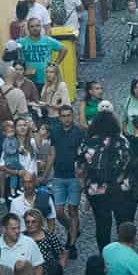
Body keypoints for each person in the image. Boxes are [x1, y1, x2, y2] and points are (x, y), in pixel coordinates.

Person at [81, 110, 135, 249]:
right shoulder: (121, 140)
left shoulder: (88, 141)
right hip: (119, 187)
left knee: (102, 225)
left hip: (95, 188)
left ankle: (104, 255)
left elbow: (80, 164)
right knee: (122, 222)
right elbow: (128, 160)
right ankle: (124, 251)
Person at [47, 102, 86, 252]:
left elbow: (84, 156)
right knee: (59, 212)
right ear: (59, 118)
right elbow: (52, 153)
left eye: (68, 115)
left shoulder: (80, 133)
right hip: (58, 176)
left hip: (74, 176)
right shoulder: (55, 132)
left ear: (73, 116)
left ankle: (72, 244)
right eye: (63, 116)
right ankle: (72, 229)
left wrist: (83, 176)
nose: (66, 119)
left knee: (73, 210)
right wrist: (45, 175)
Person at [15, 15, 63, 84]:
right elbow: (11, 49)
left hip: (46, 79)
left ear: (41, 27)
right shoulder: (22, 41)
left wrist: (56, 64)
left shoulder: (47, 40)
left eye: (37, 26)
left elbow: (64, 49)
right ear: (28, 28)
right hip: (29, 80)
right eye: (32, 26)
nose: (35, 28)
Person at [24, 207, 65, 274]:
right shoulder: (21, 238)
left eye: (33, 222)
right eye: (27, 222)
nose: (30, 225)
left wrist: (58, 272)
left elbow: (61, 254)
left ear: (40, 222)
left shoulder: (50, 237)